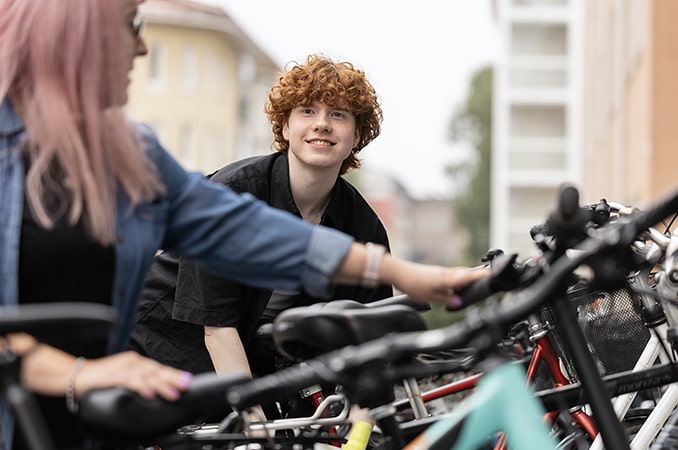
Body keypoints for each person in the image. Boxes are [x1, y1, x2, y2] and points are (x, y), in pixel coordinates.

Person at [0, 0, 488, 448]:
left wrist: (407, 275)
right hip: (126, 378)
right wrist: (74, 376)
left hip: (91, 417)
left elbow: (239, 228)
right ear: (73, 33)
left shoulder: (131, 155)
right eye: (130, 25)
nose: (143, 46)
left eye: (338, 115)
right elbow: (218, 322)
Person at [129, 55, 393, 418]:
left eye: (338, 114)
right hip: (167, 336)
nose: (322, 124)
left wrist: (364, 422)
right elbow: (217, 330)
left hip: (253, 353)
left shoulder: (364, 228)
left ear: (357, 135)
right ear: (284, 127)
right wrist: (254, 426)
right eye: (306, 112)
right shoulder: (234, 192)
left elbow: (369, 338)